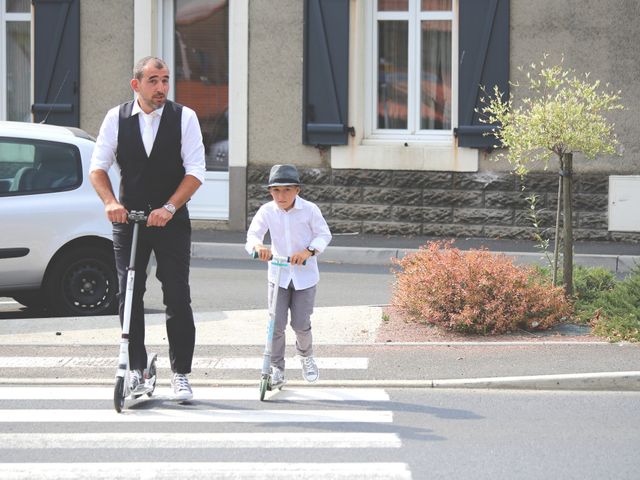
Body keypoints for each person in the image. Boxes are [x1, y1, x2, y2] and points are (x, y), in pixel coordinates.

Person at [89, 56, 205, 401]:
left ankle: (181, 373)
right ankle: (137, 368)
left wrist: (170, 207)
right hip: (129, 221)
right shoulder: (117, 117)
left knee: (177, 295)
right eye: (153, 80)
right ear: (136, 84)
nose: (161, 88)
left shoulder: (185, 117)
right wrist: (111, 202)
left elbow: (196, 170)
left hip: (171, 221)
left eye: (166, 80)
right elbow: (98, 168)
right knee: (129, 295)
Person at [245, 164, 332, 387]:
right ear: (270, 192)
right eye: (276, 190)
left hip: (305, 276)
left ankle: (306, 356)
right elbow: (253, 235)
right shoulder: (267, 211)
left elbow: (324, 234)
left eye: (287, 190)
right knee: (276, 324)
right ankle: (276, 369)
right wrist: (258, 247)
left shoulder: (310, 210)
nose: (281, 195)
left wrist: (309, 251)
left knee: (301, 324)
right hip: (278, 274)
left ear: (297, 190)